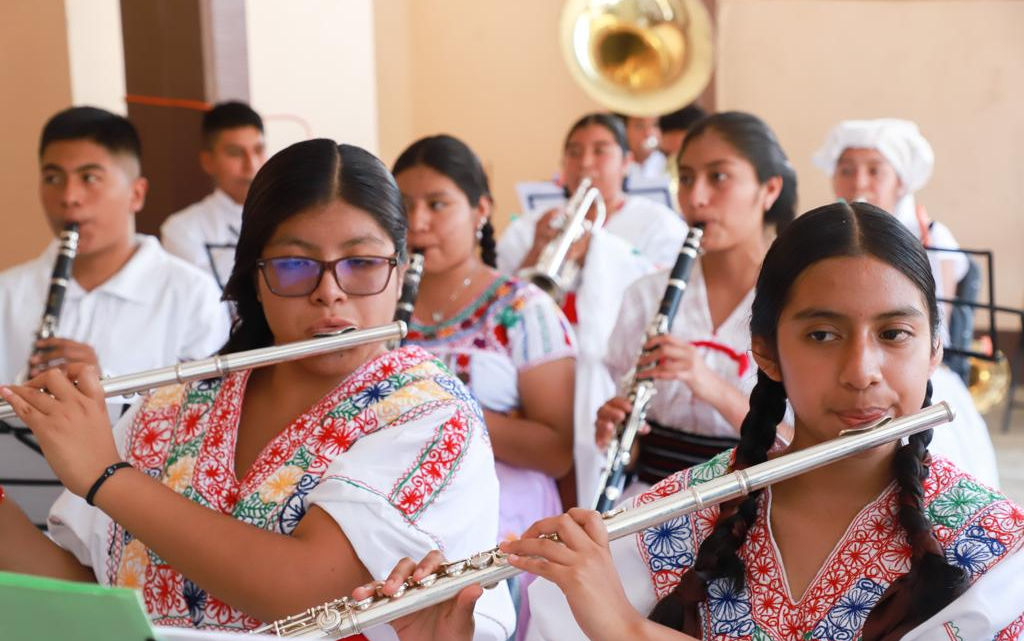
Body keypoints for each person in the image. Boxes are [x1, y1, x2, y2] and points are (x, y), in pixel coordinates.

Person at [369, 202, 1024, 641]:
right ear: (764, 350)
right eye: (822, 334)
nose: (862, 370)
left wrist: (626, 630)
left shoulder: (998, 550)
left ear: (935, 349)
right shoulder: (667, 523)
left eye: (895, 334)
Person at [0, 139, 514, 639]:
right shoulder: (173, 406)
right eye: (295, 265)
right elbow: (96, 597)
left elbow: (314, 591)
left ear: (400, 275)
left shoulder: (430, 414)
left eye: (362, 264)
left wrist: (106, 476)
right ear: (257, 280)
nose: (329, 292)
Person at [0, 107, 230, 523]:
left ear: (136, 194)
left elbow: (211, 422)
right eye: (53, 177)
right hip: (29, 520)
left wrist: (107, 389)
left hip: (148, 520)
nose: (68, 197)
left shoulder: (191, 293)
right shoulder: (8, 291)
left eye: (89, 177)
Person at [392, 134, 575, 637]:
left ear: (481, 210)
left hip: (502, 503)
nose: (418, 222)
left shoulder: (523, 309)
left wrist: (447, 415)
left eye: (437, 204)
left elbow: (556, 450)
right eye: (405, 206)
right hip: (398, 498)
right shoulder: (379, 307)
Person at [582, 112, 796, 505]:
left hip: (761, 503)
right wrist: (620, 438)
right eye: (686, 178)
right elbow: (634, 454)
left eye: (718, 177)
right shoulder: (646, 295)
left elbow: (802, 446)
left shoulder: (799, 300)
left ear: (769, 189)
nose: (696, 198)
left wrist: (706, 382)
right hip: (649, 503)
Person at [813, 118, 999, 488]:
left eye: (874, 171)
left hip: (918, 367)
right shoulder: (822, 236)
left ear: (901, 180)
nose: (858, 182)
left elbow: (936, 327)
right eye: (846, 170)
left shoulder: (931, 236)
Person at [497, 112, 688, 272]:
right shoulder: (527, 227)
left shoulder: (661, 224)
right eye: (574, 153)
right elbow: (500, 302)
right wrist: (537, 250)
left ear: (626, 163)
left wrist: (598, 253)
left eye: (599, 151)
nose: (585, 163)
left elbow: (661, 289)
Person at [161, 101, 267, 288]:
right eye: (236, 153)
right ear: (208, 161)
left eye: (258, 150)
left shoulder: (291, 217)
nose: (251, 165)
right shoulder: (183, 229)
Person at [616, 113, 667, 182]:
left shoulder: (664, 163)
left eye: (654, 125)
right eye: (639, 126)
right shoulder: (616, 164)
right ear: (624, 129)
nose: (648, 133)